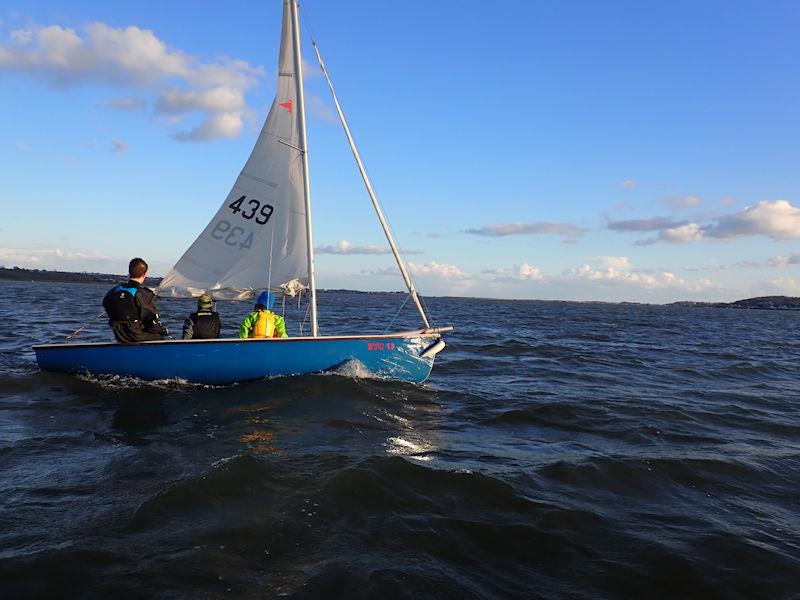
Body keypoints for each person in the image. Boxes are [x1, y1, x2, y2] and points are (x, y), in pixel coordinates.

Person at [102, 258, 168, 343]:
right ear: (144, 274)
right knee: (160, 338)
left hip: (118, 334)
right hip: (137, 335)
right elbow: (151, 319)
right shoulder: (143, 294)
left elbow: (106, 304)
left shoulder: (113, 291)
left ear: (129, 272)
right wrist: (162, 331)